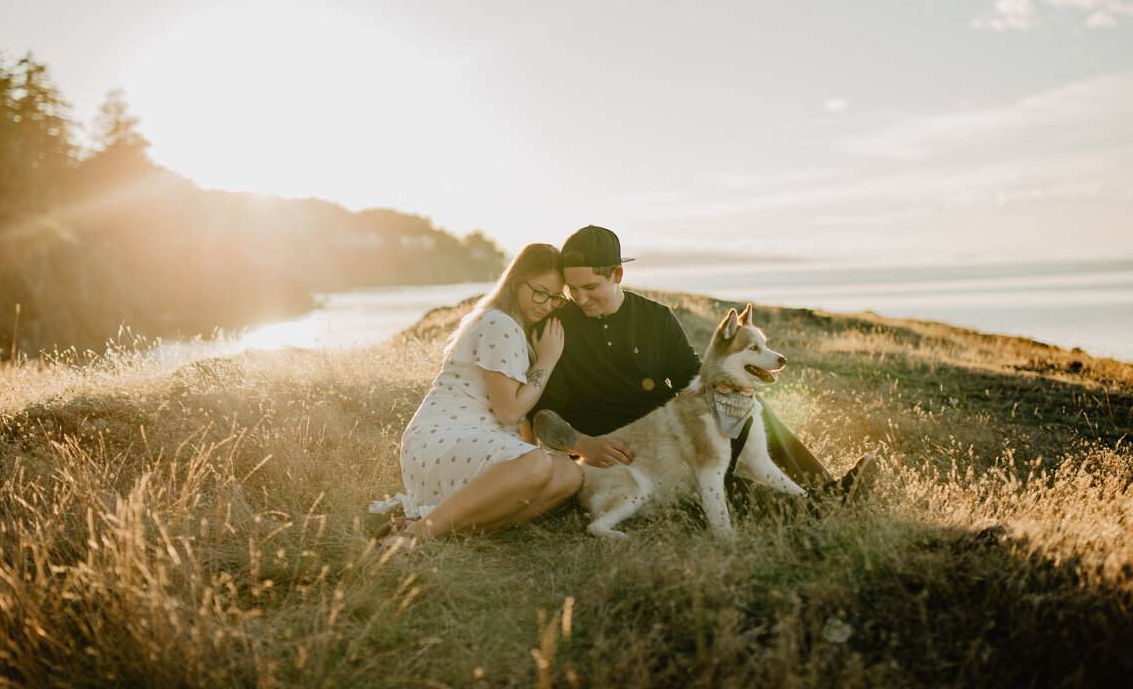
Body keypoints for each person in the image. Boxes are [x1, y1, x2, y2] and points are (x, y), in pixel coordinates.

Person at [530, 225, 876, 504]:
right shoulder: (560, 326)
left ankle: (825, 487)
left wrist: (727, 399)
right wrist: (583, 444)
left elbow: (692, 379)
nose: (581, 299)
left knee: (746, 408)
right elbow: (544, 415)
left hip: (669, 431)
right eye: (573, 289)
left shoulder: (656, 318)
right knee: (700, 479)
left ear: (617, 274)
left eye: (590, 287)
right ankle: (815, 507)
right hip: (614, 452)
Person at [375, 243, 584, 550]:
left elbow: (519, 421)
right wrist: (547, 360)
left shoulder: (518, 327)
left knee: (569, 475)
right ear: (515, 281)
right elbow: (510, 412)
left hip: (479, 441)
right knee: (538, 464)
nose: (546, 304)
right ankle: (416, 534)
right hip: (442, 438)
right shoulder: (501, 323)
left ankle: (447, 526)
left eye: (555, 298)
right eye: (540, 292)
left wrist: (527, 468)